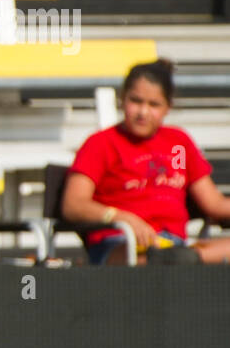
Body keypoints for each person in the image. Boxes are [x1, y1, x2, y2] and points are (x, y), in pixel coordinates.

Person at [64, 59, 230, 265]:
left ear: (168, 107)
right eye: (136, 101)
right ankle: (175, 261)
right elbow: (73, 204)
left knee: (178, 256)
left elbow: (214, 204)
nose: (143, 112)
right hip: (120, 244)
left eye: (153, 105)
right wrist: (121, 217)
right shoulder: (101, 143)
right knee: (150, 259)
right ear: (122, 99)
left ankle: (182, 259)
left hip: (173, 244)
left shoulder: (178, 143)